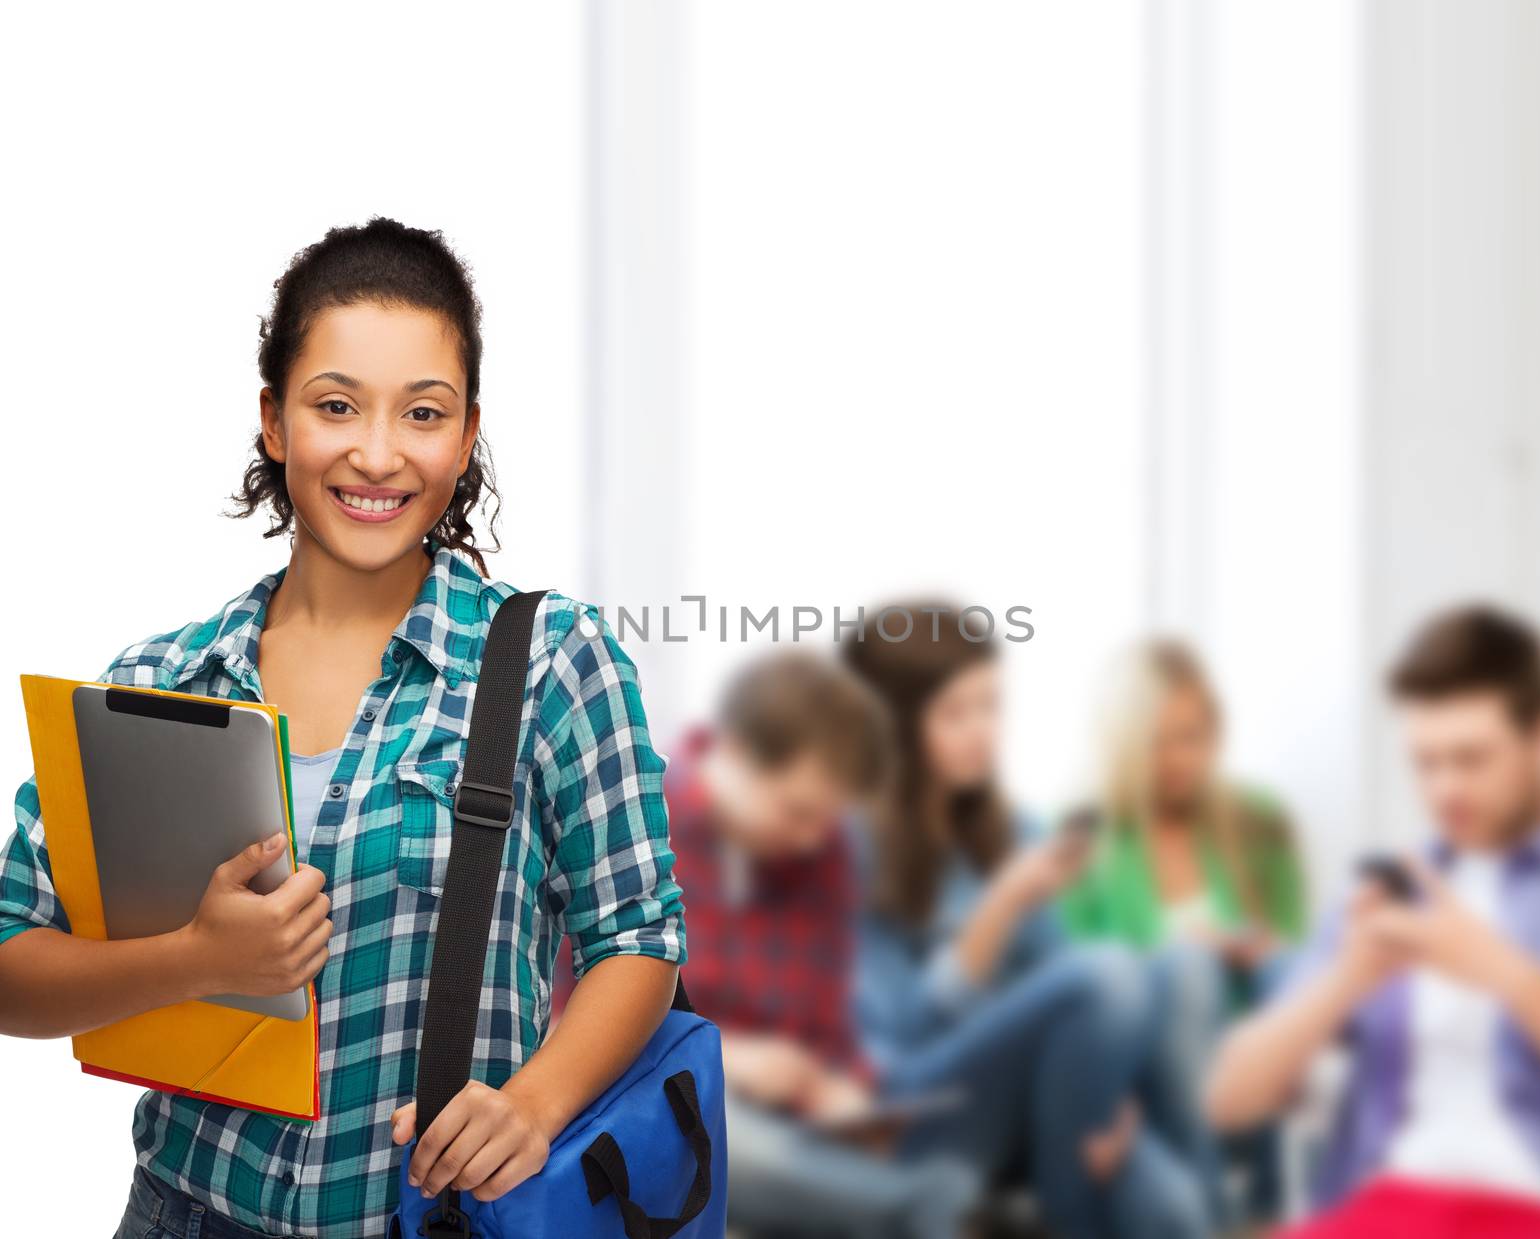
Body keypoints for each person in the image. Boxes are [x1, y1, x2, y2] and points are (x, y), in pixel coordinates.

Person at [0, 218, 686, 1239]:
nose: (377, 453)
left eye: (422, 412)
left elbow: (638, 935)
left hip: (436, 1220)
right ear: (275, 422)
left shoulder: (552, 662)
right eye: (335, 406)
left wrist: (533, 1106)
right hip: (183, 1212)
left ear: (467, 433)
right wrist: (196, 956)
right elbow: (15, 958)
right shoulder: (164, 681)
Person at [1206, 603, 1540, 1239]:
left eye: (1472, 759)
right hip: (1388, 1205)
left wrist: (1503, 972)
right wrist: (1348, 978)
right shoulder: (1392, 887)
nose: (1446, 788)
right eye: (1425, 762)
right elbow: (1227, 1100)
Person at [841, 602, 1211, 1239]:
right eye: (956, 712)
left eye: (992, 706)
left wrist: (1110, 1091)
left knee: (1173, 1207)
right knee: (1110, 972)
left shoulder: (1017, 832)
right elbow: (898, 1046)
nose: (983, 731)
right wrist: (1001, 906)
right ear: (893, 724)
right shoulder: (846, 848)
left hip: (1048, 1103)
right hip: (928, 1111)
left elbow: (1077, 1001)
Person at [661, 650, 981, 1239]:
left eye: (827, 820)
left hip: (795, 1117)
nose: (813, 841)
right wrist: (731, 1058)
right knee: (700, 1122)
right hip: (683, 1096)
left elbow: (828, 1020)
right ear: (732, 755)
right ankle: (906, 1204)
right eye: (798, 812)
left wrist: (845, 1093)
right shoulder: (639, 828)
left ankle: (896, 1197)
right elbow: (580, 1021)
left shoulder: (826, 850)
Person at [1060, 636, 1307, 1222]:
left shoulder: (1259, 821)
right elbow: (1081, 981)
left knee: (1290, 969)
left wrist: (1264, 949)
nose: (1176, 760)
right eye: (1155, 743)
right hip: (1150, 1073)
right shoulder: (1080, 837)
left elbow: (1298, 946)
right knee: (1189, 967)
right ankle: (1217, 1209)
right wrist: (1175, 954)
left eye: (1191, 737)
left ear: (1214, 735)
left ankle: (1275, 1206)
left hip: (1250, 1055)